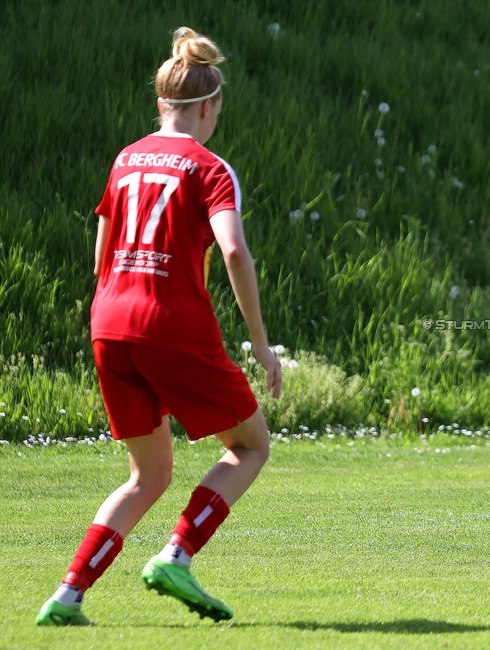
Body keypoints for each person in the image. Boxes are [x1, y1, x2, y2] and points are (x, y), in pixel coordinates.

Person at [36, 27, 282, 626]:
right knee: (250, 446)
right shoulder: (211, 168)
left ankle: (67, 596)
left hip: (109, 322)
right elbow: (233, 252)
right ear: (206, 108)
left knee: (149, 474)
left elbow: (100, 253)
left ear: (159, 106)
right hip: (170, 323)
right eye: (217, 112)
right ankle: (176, 556)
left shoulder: (126, 158)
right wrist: (257, 340)